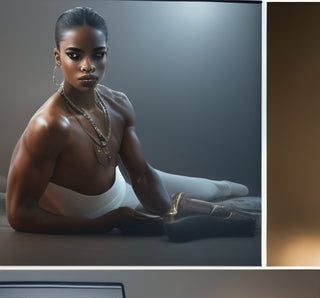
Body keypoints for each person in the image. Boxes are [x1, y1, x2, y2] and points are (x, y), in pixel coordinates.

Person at [6, 7, 255, 238]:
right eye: (74, 55)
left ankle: (239, 193)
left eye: (98, 54)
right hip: (99, 210)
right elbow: (18, 215)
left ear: (106, 54)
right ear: (58, 58)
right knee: (212, 205)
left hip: (125, 189)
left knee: (219, 191)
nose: (87, 66)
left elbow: (141, 176)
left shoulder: (117, 104)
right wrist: (106, 222)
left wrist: (167, 212)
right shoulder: (49, 126)